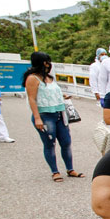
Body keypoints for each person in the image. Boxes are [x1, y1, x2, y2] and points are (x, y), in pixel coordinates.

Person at [23, 51, 84, 182]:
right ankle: (55, 171)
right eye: (45, 61)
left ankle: (70, 169)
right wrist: (37, 117)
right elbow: (32, 99)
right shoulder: (33, 78)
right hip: (45, 115)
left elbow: (51, 93)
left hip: (59, 113)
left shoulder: (49, 78)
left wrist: (63, 97)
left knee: (66, 142)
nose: (48, 64)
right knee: (50, 144)